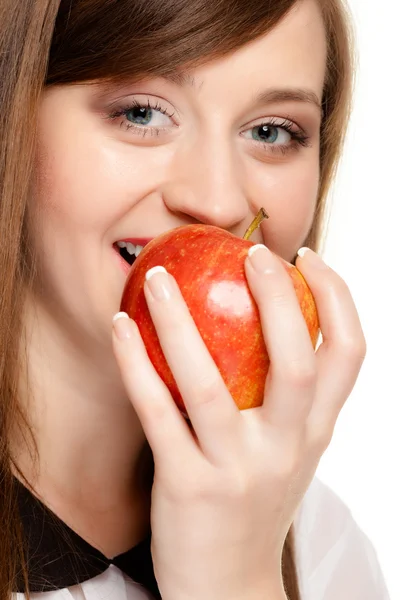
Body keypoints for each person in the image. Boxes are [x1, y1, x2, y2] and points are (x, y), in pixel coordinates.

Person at [0, 0, 390, 599]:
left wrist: (235, 580)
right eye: (141, 113)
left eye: (270, 131)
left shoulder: (322, 549)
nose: (215, 202)